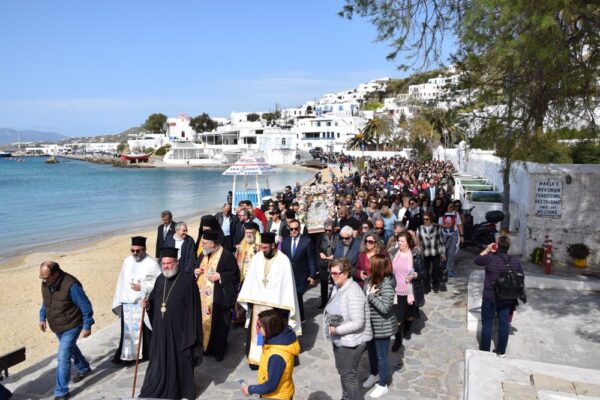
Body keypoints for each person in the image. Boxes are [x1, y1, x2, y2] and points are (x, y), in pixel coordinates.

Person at [139, 247, 203, 400]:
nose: (166, 266)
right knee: (161, 359)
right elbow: (154, 301)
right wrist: (147, 305)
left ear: (177, 262)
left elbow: (194, 310)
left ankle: (182, 390)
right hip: (162, 330)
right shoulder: (160, 279)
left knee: (180, 358)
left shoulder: (188, 281)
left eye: (169, 263)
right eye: (163, 263)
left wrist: (191, 332)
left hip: (180, 330)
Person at [237, 232, 302, 368]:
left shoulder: (283, 260)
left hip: (275, 308)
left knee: (274, 335)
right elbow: (251, 281)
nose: (263, 250)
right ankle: (257, 359)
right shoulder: (257, 258)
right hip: (257, 306)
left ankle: (273, 360)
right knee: (257, 333)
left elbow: (286, 286)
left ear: (273, 245)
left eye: (265, 247)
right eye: (261, 247)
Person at [39, 261, 94, 400]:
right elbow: (46, 301)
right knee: (71, 349)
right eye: (42, 277)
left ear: (56, 273)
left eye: (46, 277)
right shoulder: (46, 283)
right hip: (57, 325)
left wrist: (87, 326)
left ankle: (61, 392)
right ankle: (84, 368)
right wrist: (42, 317)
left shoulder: (72, 285)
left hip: (72, 325)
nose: (44, 280)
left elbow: (86, 306)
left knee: (63, 357)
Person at [324, 258, 372, 400]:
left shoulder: (353, 292)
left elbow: (358, 322)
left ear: (345, 273)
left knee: (348, 376)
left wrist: (337, 330)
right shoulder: (338, 287)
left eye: (336, 273)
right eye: (331, 273)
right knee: (343, 372)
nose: (333, 276)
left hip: (351, 341)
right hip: (340, 338)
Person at [111, 236, 161, 365]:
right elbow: (122, 280)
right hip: (127, 302)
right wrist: (120, 298)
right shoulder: (127, 261)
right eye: (132, 250)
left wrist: (142, 287)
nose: (135, 253)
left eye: (138, 251)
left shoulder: (152, 264)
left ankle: (145, 354)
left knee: (144, 331)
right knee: (127, 331)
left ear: (144, 249)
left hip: (141, 301)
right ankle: (126, 355)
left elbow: (158, 283)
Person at [195, 230, 240, 361]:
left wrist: (220, 276)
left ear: (213, 244)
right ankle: (206, 348)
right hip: (204, 298)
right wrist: (195, 271)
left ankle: (218, 351)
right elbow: (195, 267)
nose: (202, 245)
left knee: (219, 325)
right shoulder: (203, 254)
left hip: (220, 298)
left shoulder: (226, 256)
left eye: (205, 243)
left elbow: (236, 275)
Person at [475, 236, 524, 357]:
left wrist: (487, 250)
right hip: (507, 297)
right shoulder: (514, 261)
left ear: (496, 245)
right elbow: (521, 276)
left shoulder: (490, 258)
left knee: (487, 323)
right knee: (504, 323)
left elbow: (477, 260)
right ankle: (501, 351)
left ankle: (485, 351)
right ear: (508, 247)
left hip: (490, 296)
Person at [241, 309, 300, 400]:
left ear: (269, 328)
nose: (257, 329)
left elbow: (271, 385)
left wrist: (250, 389)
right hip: (285, 390)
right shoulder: (283, 339)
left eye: (259, 326)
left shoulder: (276, 356)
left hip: (276, 396)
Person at [362, 255, 397, 398]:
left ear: (377, 267)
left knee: (382, 357)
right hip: (371, 325)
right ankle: (375, 374)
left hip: (382, 327)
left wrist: (371, 296)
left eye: (371, 264)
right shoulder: (370, 280)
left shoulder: (387, 284)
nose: (368, 266)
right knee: (371, 353)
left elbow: (386, 308)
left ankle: (383, 384)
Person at [391, 232, 425, 352]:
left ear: (408, 242)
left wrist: (415, 275)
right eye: (398, 241)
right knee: (398, 318)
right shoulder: (393, 253)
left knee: (409, 316)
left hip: (411, 291)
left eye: (402, 241)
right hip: (396, 291)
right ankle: (398, 340)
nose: (399, 243)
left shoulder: (415, 255)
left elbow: (423, 273)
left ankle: (407, 330)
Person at [281, 219, 317, 322]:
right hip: (288, 274)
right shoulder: (285, 242)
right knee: (290, 296)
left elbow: (311, 259)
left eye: (296, 229)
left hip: (301, 275)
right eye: (291, 229)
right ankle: (291, 315)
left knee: (298, 294)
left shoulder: (307, 241)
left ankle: (300, 318)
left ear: (299, 229)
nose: (294, 231)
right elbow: (282, 259)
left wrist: (312, 275)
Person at [416, 212, 446, 293]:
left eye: (427, 219)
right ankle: (426, 287)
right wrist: (418, 251)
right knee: (425, 271)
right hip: (425, 253)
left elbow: (441, 241)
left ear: (431, 219)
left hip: (435, 252)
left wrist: (443, 253)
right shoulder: (419, 229)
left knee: (435, 271)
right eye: (424, 219)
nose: (425, 221)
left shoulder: (437, 228)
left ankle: (436, 285)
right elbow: (418, 242)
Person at [316, 219, 339, 309]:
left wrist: (335, 255)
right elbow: (316, 248)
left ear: (333, 229)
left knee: (336, 282)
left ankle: (336, 301)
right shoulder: (321, 237)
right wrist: (320, 253)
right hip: (324, 262)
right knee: (324, 282)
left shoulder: (337, 236)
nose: (327, 232)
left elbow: (340, 247)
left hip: (334, 263)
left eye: (329, 230)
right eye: (325, 230)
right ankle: (324, 302)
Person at [438, 202, 463, 278]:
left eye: (453, 206)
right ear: (446, 207)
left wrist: (462, 235)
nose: (452, 208)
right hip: (444, 235)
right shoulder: (442, 214)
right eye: (450, 206)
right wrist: (445, 226)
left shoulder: (456, 214)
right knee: (443, 252)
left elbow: (459, 224)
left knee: (451, 253)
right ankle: (443, 268)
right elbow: (439, 224)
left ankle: (449, 270)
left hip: (453, 235)